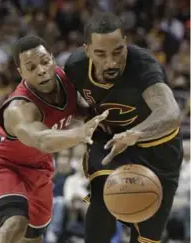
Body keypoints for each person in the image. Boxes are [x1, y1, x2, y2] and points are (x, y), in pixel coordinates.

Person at [0, 36, 108, 243]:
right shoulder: (20, 108)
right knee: (15, 222)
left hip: (37, 166)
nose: (41, 70)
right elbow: (42, 139)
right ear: (21, 73)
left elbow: (74, 109)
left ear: (52, 58)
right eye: (31, 67)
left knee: (33, 238)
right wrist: (81, 133)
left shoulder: (67, 80)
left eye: (44, 61)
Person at [64, 12, 183, 243]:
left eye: (118, 51)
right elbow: (71, 106)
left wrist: (135, 134)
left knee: (146, 238)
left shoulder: (143, 66)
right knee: (102, 196)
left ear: (125, 43)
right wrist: (83, 122)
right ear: (87, 50)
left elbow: (170, 112)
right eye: (101, 53)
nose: (111, 61)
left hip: (160, 149)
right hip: (111, 141)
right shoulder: (75, 67)